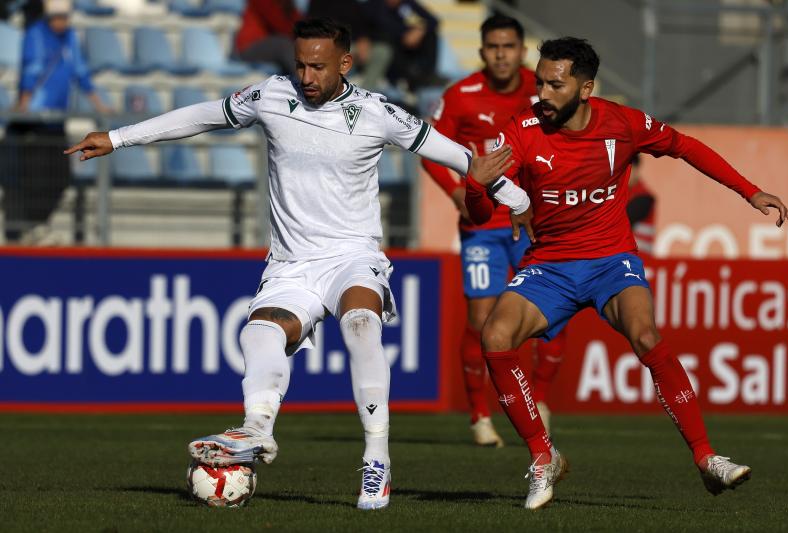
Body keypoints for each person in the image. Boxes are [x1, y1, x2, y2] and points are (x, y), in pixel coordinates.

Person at [65, 18, 509, 511]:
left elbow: (461, 157)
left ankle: (377, 461)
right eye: (300, 64)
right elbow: (202, 115)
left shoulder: (377, 112)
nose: (306, 75)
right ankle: (256, 430)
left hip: (352, 255)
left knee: (361, 324)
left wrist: (519, 200)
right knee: (259, 332)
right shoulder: (270, 96)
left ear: (345, 63)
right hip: (292, 263)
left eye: (318, 66)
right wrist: (121, 137)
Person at [465, 37, 788, 510]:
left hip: (610, 260)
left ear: (586, 88)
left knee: (645, 335)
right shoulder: (522, 129)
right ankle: (543, 456)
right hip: (549, 264)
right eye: (540, 82)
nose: (544, 93)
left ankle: (706, 459)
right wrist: (476, 186)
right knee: (495, 336)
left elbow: (686, 147)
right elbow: (479, 213)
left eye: (556, 84)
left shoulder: (623, 123)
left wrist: (750, 191)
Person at [420, 14, 564, 446]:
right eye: (493, 47)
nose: (501, 55)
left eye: (509, 47)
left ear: (522, 50)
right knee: (482, 319)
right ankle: (480, 415)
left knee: (552, 318)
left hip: (534, 224)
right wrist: (456, 193)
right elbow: (430, 152)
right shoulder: (460, 96)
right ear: (483, 52)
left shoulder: (542, 91)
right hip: (481, 227)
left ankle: (539, 400)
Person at [3, 0, 110, 243]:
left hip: (56, 121)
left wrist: (99, 105)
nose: (62, 22)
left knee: (60, 177)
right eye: (58, 17)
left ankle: (37, 224)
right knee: (35, 177)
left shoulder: (70, 37)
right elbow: (32, 68)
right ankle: (29, 228)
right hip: (35, 120)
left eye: (65, 16)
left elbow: (80, 71)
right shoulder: (36, 34)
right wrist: (24, 102)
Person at [234, 0, 301, 75]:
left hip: (273, 44)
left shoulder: (287, 3)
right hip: (249, 46)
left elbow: (299, 22)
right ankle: (305, 79)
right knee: (283, 45)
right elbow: (279, 24)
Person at [627, 154, 656, 257]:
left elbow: (622, 218)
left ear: (636, 169)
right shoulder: (618, 194)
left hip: (641, 262)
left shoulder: (644, 198)